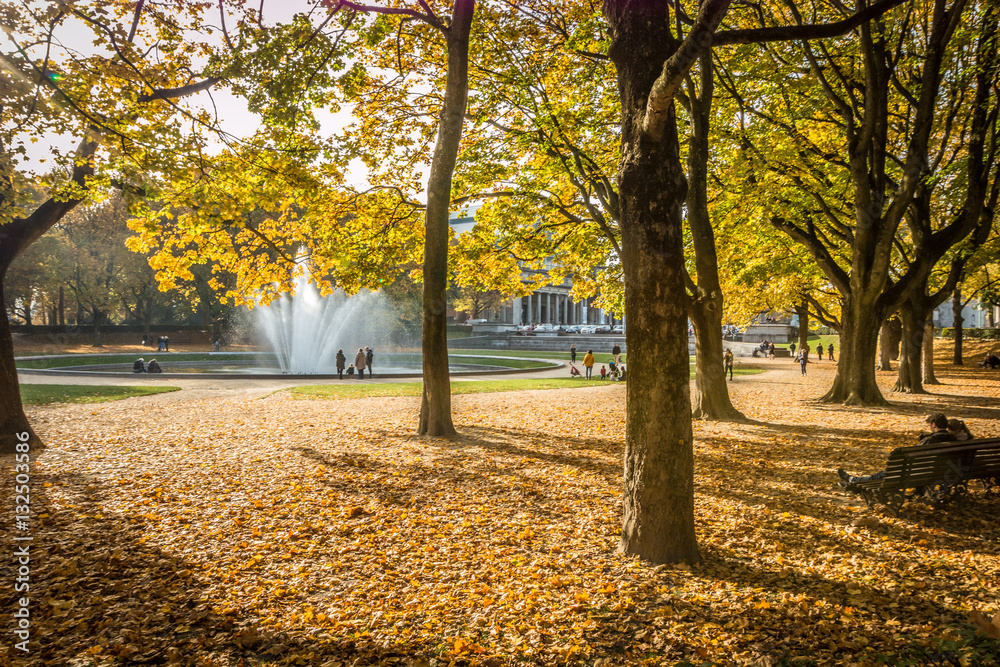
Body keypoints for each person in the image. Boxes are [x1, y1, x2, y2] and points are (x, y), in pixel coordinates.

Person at [838, 414, 957, 486]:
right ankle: (854, 485)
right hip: (946, 473)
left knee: (884, 474)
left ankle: (854, 480)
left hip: (918, 473)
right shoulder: (954, 440)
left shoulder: (930, 441)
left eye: (930, 425)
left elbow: (913, 457)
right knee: (886, 474)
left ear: (934, 424)